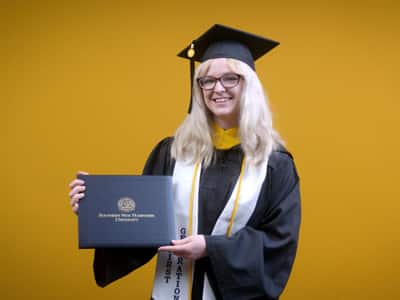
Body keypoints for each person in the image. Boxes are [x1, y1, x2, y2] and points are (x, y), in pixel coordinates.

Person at [68, 24, 301, 300]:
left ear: (248, 85)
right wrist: (96, 210)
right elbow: (142, 222)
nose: (218, 89)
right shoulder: (174, 152)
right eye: (208, 81)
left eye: (230, 78)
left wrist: (210, 248)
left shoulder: (273, 163)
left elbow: (278, 242)